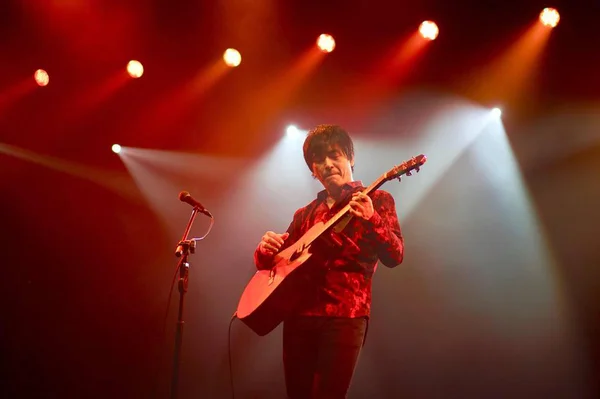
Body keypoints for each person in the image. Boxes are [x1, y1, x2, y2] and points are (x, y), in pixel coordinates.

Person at [253, 124, 404, 398]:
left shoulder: (378, 199)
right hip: (299, 318)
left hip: (344, 318)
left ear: (350, 158)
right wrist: (265, 249)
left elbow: (395, 256)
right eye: (318, 160)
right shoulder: (306, 213)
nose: (327, 164)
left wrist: (372, 219)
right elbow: (275, 266)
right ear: (313, 170)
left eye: (334, 155)